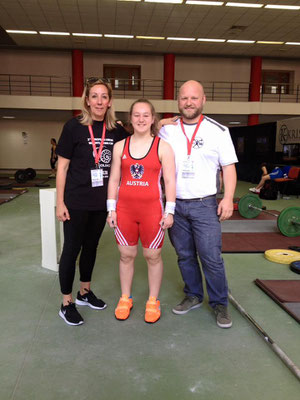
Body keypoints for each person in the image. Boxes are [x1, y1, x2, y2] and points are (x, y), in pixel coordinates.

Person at [159, 80, 238, 329]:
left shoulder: (218, 131)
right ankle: (193, 295)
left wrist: (227, 198)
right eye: (184, 98)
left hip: (205, 205)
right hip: (175, 205)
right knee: (184, 255)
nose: (189, 103)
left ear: (203, 100)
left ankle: (219, 303)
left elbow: (229, 167)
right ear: (178, 101)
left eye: (194, 98)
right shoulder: (168, 130)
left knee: (211, 257)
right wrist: (158, 123)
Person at [55, 78, 129, 326]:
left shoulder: (116, 131)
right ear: (87, 100)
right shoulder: (73, 127)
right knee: (71, 250)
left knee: (91, 247)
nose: (99, 101)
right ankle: (67, 303)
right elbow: (62, 168)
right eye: (94, 96)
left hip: (101, 202)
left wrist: (162, 123)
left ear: (110, 101)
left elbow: (141, 137)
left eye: (104, 96)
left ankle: (84, 292)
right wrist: (60, 202)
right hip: (76, 201)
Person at [106, 99, 176, 324]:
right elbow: (114, 178)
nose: (141, 119)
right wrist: (111, 209)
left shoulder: (162, 147)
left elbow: (170, 181)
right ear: (131, 118)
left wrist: (170, 211)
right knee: (126, 255)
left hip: (152, 211)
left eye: (146, 115)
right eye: (137, 115)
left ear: (153, 119)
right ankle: (125, 298)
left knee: (152, 256)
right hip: (125, 210)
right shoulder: (120, 146)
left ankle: (152, 300)